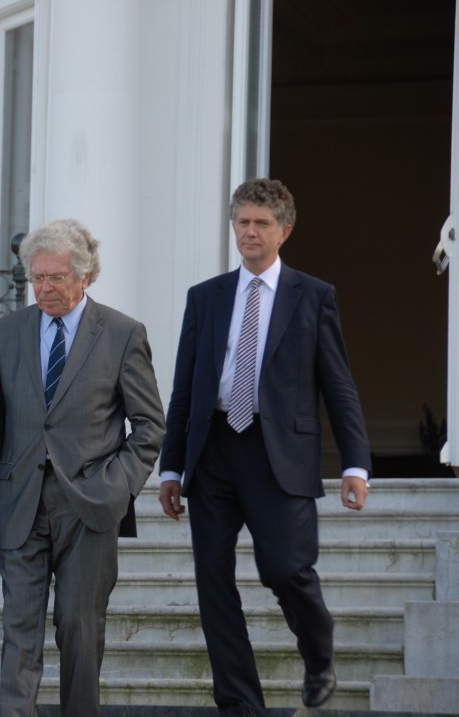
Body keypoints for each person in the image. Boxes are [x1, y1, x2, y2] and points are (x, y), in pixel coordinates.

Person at [158, 178, 371, 715]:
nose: (249, 232)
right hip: (213, 451)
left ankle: (318, 658)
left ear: (285, 231)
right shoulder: (205, 297)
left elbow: (338, 385)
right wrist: (171, 468)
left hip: (280, 454)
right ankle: (240, 704)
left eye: (261, 223)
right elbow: (185, 388)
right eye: (242, 222)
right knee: (213, 582)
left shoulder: (313, 296)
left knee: (285, 569)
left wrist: (356, 464)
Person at [0, 219, 166, 717]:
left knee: (79, 628)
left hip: (90, 503)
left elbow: (149, 426)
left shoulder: (122, 333)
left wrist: (117, 487)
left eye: (56, 277)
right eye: (37, 278)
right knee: (19, 626)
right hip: (18, 501)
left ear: (85, 276)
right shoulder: (5, 333)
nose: (45, 288)